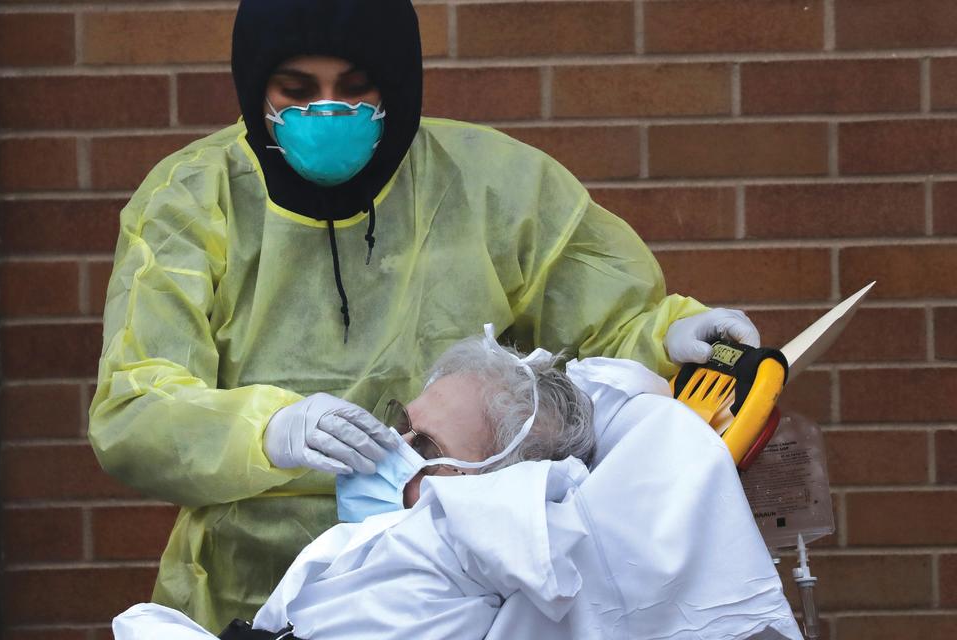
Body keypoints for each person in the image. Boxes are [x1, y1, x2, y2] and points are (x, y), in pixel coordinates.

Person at [89, 0, 761, 631]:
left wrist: (665, 336)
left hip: (450, 597)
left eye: (355, 87)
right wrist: (271, 433)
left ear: (399, 85)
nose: (327, 112)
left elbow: (604, 339)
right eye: (295, 90)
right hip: (244, 592)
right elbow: (135, 410)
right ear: (254, 87)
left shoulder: (493, 186)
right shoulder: (192, 202)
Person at [110, 334, 801, 640]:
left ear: (509, 485)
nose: (390, 454)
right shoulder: (370, 546)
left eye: (428, 448)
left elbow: (635, 431)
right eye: (401, 428)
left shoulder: (483, 543)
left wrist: (657, 350)